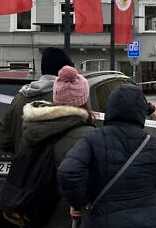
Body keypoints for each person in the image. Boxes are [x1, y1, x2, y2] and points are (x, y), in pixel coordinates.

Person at [58, 84, 156, 228]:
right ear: (141, 111)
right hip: (148, 220)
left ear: (110, 109)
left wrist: (80, 201)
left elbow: (68, 171)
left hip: (102, 220)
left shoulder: (91, 139)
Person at [13, 66, 96, 228]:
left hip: (35, 208)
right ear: (83, 100)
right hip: (67, 214)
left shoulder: (33, 127)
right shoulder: (87, 135)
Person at [0, 47, 73, 154]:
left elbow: (4, 140)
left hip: (23, 166)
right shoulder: (68, 99)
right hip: (54, 167)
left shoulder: (19, 98)